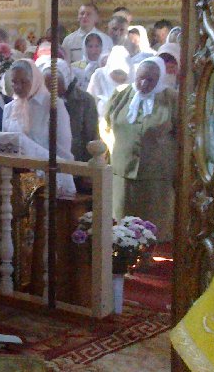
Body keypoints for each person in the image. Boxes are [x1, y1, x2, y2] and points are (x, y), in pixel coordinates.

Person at [104, 57, 177, 240]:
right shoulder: (121, 95)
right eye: (140, 78)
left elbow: (183, 134)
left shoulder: (171, 99)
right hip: (122, 174)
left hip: (156, 177)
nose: (143, 84)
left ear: (160, 78)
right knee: (122, 230)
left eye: (150, 80)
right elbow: (106, 124)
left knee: (153, 230)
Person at [2, 59, 77, 194]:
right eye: (14, 82)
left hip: (45, 178)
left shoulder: (52, 105)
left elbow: (63, 149)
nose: (18, 87)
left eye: (23, 82)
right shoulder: (9, 108)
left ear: (35, 80)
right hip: (15, 179)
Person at [39, 57, 99, 163]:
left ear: (66, 82)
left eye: (54, 86)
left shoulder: (84, 101)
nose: (50, 91)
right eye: (46, 86)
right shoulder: (40, 100)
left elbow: (91, 135)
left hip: (76, 160)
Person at [88, 45, 132, 119]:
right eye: (116, 72)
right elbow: (90, 101)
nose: (119, 76)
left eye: (121, 73)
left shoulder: (134, 79)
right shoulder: (99, 75)